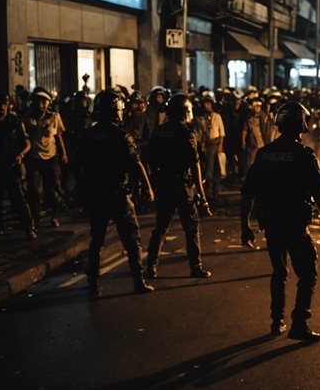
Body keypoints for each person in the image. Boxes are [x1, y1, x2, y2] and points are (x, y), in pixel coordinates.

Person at [241, 102, 320, 341]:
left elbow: (247, 193)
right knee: (308, 273)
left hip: (272, 224)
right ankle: (299, 323)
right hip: (295, 225)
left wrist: (244, 226)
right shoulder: (304, 155)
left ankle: (277, 321)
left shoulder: (264, 154)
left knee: (279, 272)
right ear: (301, 125)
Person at [73, 90, 154, 297]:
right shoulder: (121, 136)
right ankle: (138, 281)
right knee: (132, 240)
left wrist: (81, 194)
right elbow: (136, 165)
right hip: (118, 195)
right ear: (114, 111)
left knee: (97, 241)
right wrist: (148, 188)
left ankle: (92, 284)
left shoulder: (89, 135)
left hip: (96, 195)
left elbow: (78, 167)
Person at [145, 94, 212, 279]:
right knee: (191, 228)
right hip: (183, 187)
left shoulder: (159, 131)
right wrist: (203, 195)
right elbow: (195, 164)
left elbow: (150, 159)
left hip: (165, 185)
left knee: (161, 227)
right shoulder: (187, 133)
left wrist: (156, 181)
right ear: (184, 112)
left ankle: (151, 266)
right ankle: (195, 266)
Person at [0, 94, 34, 239]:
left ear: (8, 105)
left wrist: (21, 155)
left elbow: (27, 144)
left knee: (18, 198)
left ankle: (29, 226)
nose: (1, 107)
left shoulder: (15, 122)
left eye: (4, 104)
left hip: (12, 166)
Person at [23, 89, 67, 229]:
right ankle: (35, 218)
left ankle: (54, 215)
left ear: (48, 103)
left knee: (51, 189)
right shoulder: (27, 118)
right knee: (34, 189)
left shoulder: (55, 117)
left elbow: (59, 136)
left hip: (50, 158)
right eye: (38, 101)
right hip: (34, 158)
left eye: (44, 101)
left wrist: (64, 154)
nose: (40, 104)